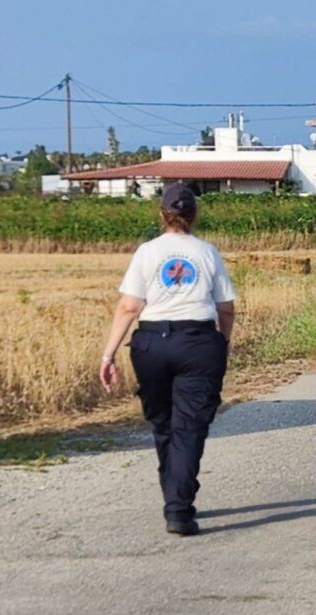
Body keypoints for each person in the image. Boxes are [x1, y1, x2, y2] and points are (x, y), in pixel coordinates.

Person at [99, 182, 236, 536]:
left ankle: (174, 496)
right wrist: (222, 343)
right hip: (198, 343)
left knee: (163, 423)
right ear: (194, 215)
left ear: (162, 214)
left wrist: (109, 354)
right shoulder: (208, 253)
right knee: (189, 427)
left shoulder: (147, 252)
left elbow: (130, 306)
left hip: (151, 344)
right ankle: (178, 506)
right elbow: (226, 308)